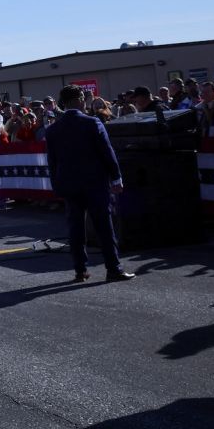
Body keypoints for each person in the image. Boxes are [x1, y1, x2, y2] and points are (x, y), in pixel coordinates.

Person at [44, 85, 135, 283]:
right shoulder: (92, 122)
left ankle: (80, 270)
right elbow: (107, 152)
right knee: (104, 226)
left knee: (75, 228)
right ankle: (113, 268)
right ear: (79, 99)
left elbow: (52, 162)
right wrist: (116, 177)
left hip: (69, 183)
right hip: (94, 183)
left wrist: (56, 185)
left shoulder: (52, 130)